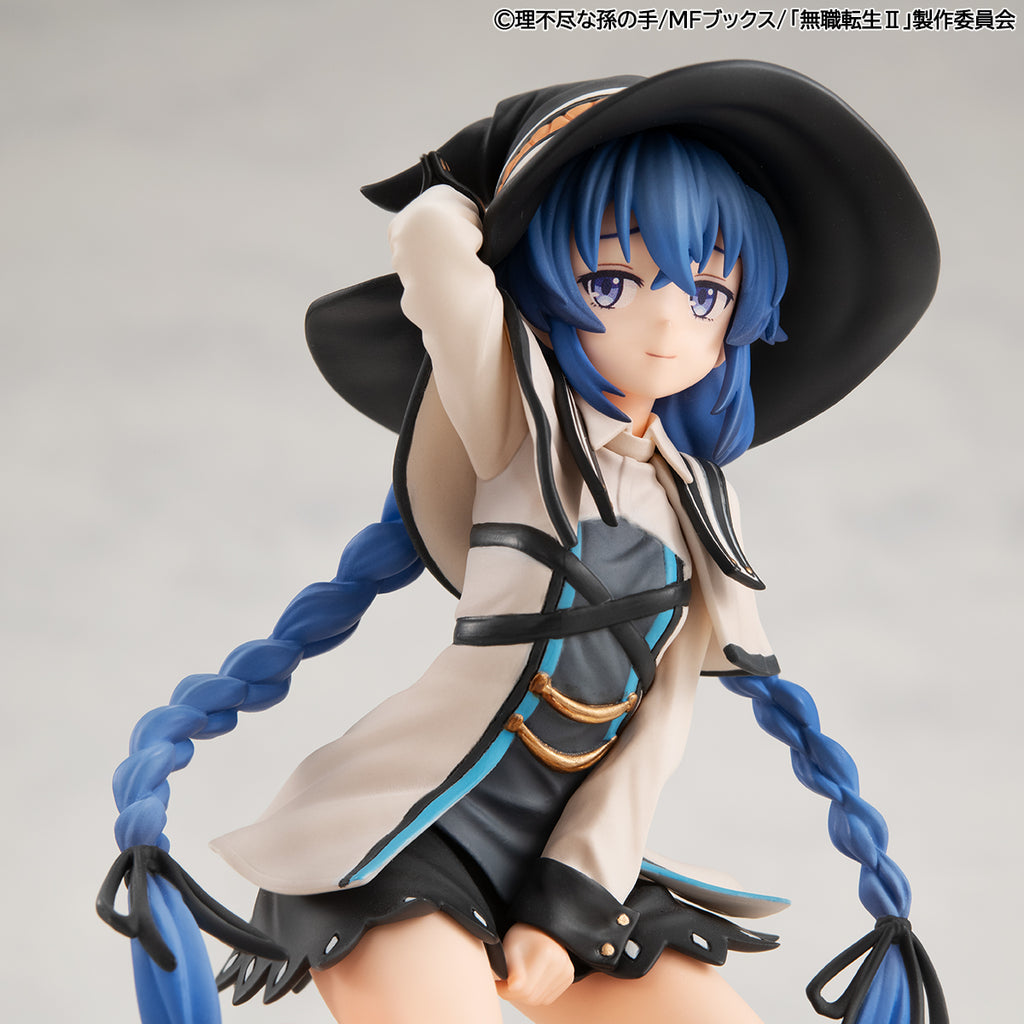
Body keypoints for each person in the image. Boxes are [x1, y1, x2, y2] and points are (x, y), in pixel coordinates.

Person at [99, 63, 948, 1024]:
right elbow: (430, 243)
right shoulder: (519, 425)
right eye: (611, 280)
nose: (666, 322)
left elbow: (655, 731)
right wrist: (493, 170)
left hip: (567, 858)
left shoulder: (702, 507)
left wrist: (568, 900)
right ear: (542, 288)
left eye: (707, 289)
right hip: (406, 834)